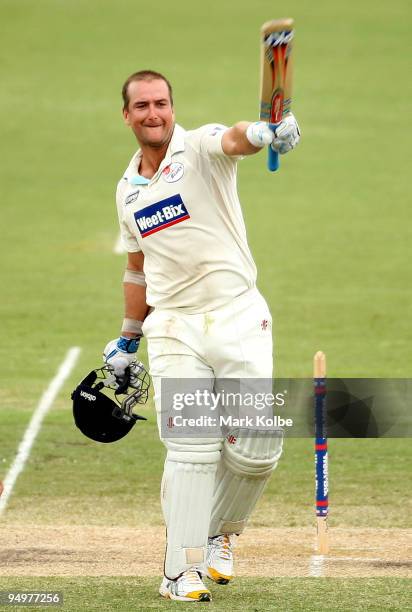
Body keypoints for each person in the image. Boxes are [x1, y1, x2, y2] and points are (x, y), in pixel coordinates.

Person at [104, 69, 300, 602]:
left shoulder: (199, 148)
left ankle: (217, 532)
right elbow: (137, 268)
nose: (153, 113)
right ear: (127, 115)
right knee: (192, 449)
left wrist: (263, 134)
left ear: (172, 107)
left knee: (258, 446)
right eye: (141, 105)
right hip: (173, 326)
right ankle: (179, 570)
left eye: (161, 103)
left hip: (237, 314)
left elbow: (234, 137)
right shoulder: (127, 191)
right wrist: (127, 337)